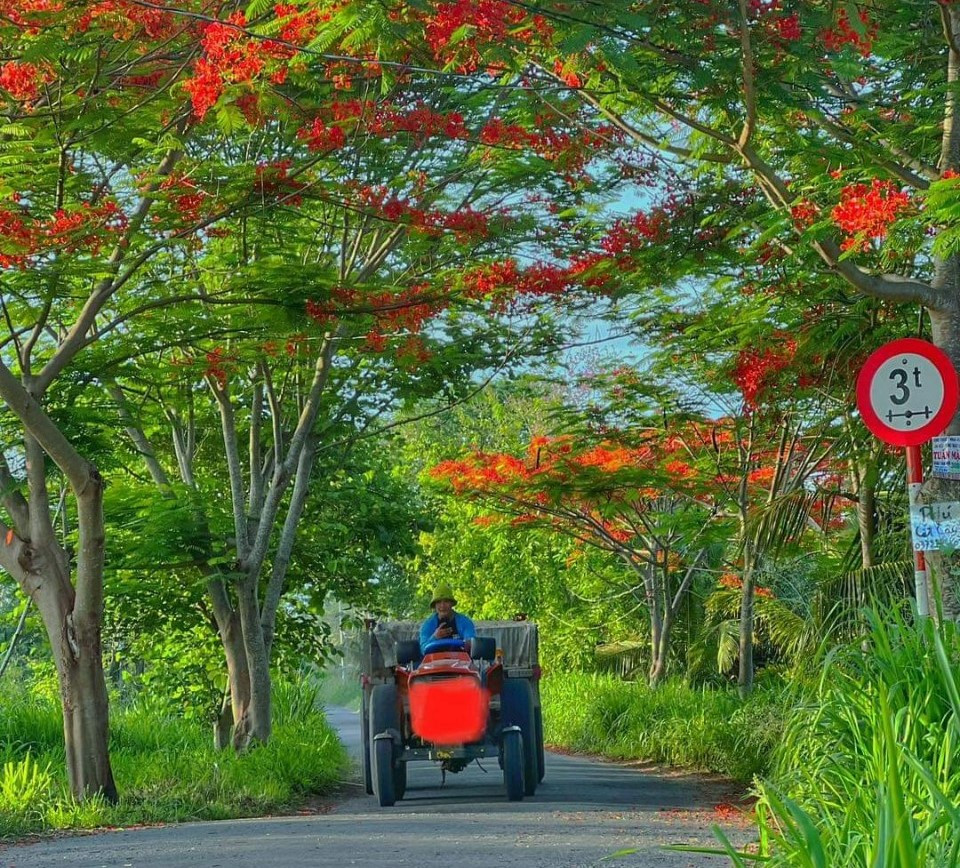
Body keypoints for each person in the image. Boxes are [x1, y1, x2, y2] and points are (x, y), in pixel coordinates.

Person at [419, 583, 476, 655]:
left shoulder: (465, 622)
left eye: (446, 601)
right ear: (434, 605)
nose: (442, 606)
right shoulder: (427, 625)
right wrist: (435, 637)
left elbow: (472, 644)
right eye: (439, 602)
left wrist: (468, 643)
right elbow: (423, 649)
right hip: (434, 661)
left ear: (452, 603)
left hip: (460, 660)